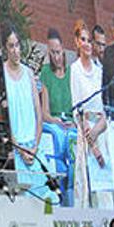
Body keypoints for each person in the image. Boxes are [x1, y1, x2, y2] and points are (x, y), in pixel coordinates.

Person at [1, 27, 50, 191]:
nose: (15, 50)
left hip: (34, 147)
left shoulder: (29, 73)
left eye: (17, 45)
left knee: (47, 200)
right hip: (16, 149)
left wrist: (34, 147)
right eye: (11, 46)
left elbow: (38, 113)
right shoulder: (2, 74)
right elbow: (5, 118)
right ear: (5, 48)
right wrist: (20, 150)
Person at [70, 20, 110, 208]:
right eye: (83, 40)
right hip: (87, 136)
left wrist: (98, 131)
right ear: (77, 42)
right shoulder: (75, 70)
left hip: (101, 131)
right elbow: (79, 112)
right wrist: (93, 146)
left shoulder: (100, 71)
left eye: (89, 40)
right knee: (88, 186)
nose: (87, 44)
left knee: (105, 189)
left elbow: (105, 109)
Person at [37, 28, 76, 203]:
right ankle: (61, 197)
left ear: (63, 50)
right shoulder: (45, 73)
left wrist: (73, 122)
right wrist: (56, 121)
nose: (56, 56)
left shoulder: (72, 73)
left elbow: (77, 107)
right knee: (58, 137)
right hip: (53, 123)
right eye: (52, 52)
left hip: (71, 123)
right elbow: (44, 112)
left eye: (58, 52)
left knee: (74, 141)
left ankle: (73, 194)